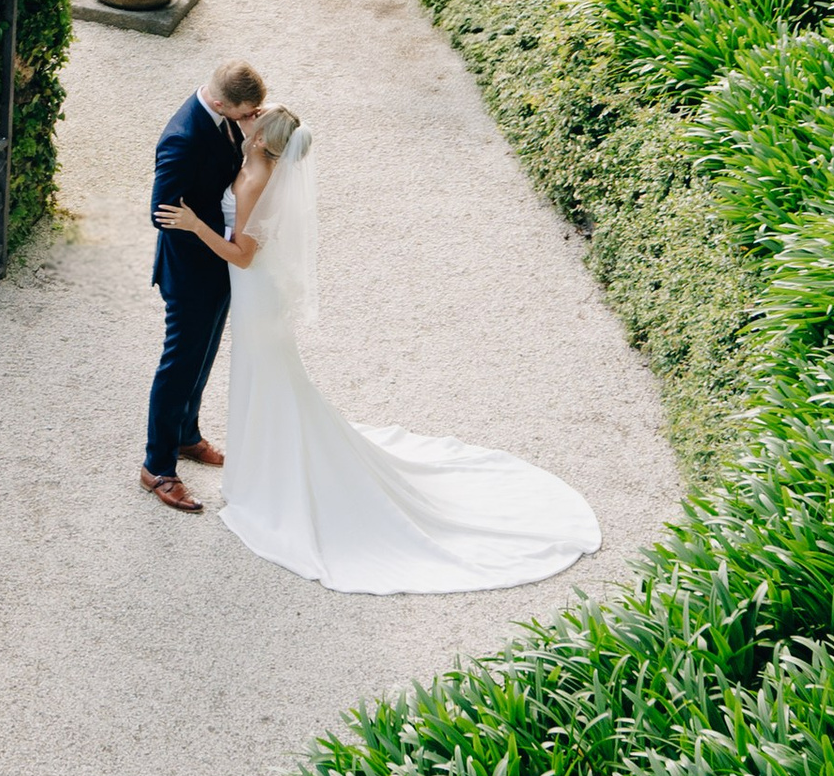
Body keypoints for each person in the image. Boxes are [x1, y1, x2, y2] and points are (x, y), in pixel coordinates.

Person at [156, 105, 601, 591]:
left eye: (256, 121)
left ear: (262, 141)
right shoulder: (257, 163)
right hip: (258, 292)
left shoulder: (254, 180)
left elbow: (242, 255)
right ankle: (264, 460)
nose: (250, 120)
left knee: (264, 372)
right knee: (267, 374)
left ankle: (271, 476)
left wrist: (195, 224)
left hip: (253, 291)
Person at [141, 57, 266, 513]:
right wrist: (205, 231)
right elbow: (161, 213)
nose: (249, 119)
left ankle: (186, 434)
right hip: (192, 269)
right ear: (218, 102)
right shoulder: (181, 138)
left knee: (205, 354)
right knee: (178, 365)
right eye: (244, 112)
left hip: (220, 265)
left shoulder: (228, 117)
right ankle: (157, 466)